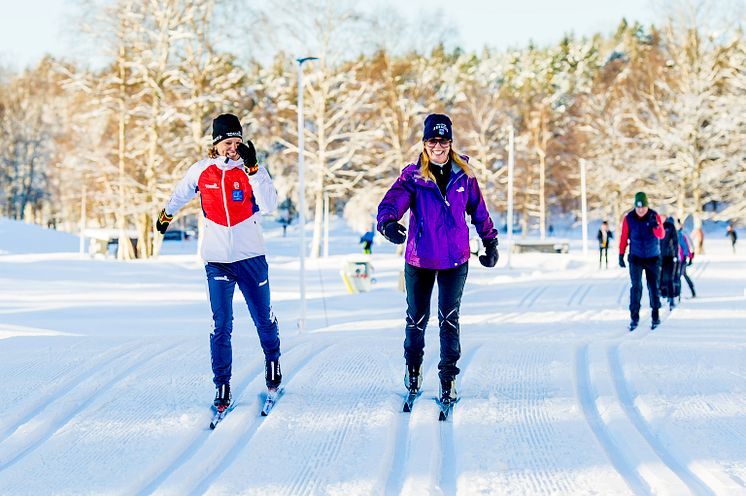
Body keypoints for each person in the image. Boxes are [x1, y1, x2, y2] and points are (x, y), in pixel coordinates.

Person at [155, 113, 281, 413]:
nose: (232, 148)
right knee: (220, 325)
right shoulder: (201, 171)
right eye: (227, 142)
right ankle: (221, 383)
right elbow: (179, 193)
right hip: (217, 261)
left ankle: (273, 363)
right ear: (216, 144)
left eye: (237, 142)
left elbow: (270, 205)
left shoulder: (252, 170)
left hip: (250, 257)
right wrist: (166, 215)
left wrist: (253, 169)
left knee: (263, 318)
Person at [376, 113, 498, 407]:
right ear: (425, 143)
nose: (438, 147)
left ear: (450, 143)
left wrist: (490, 240)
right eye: (432, 141)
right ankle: (414, 369)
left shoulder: (464, 175)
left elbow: (478, 211)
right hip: (420, 259)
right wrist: (389, 223)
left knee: (448, 319)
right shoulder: (414, 176)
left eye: (443, 141)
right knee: (417, 319)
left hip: (455, 259)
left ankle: (448, 377)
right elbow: (391, 203)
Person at [618, 191, 665, 330]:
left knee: (653, 287)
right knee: (636, 287)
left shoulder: (653, 215)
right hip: (636, 257)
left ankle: (655, 316)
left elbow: (661, 235)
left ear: (647, 206)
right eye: (638, 208)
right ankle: (634, 317)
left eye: (643, 208)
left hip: (652, 258)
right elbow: (624, 236)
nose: (640, 210)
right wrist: (621, 254)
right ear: (635, 207)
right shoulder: (629, 218)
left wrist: (655, 225)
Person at [658, 216, 680, 310]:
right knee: (659, 278)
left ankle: (671, 299)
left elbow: (675, 241)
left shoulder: (670, 226)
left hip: (669, 256)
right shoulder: (655, 225)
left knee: (669, 278)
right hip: (657, 256)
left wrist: (675, 255)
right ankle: (660, 297)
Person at [677, 219, 696, 298]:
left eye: (678, 224)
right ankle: (691, 291)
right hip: (677, 258)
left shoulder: (683, 233)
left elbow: (689, 246)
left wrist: (690, 257)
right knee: (683, 274)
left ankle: (679, 294)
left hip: (682, 258)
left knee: (679, 275)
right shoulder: (675, 233)